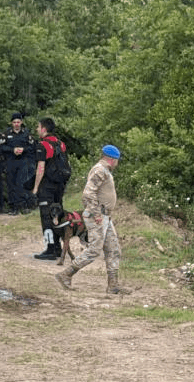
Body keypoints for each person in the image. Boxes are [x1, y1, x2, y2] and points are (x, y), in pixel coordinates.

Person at [56, 145, 126, 294]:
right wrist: (96, 214)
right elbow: (88, 193)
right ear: (112, 159)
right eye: (118, 160)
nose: (118, 163)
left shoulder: (104, 170)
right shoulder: (100, 170)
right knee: (94, 250)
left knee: (113, 249)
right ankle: (66, 274)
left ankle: (113, 285)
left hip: (105, 216)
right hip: (98, 216)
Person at [32, 117, 69, 260]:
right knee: (57, 214)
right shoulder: (61, 144)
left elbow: (41, 167)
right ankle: (58, 247)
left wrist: (35, 187)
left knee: (46, 216)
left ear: (44, 129)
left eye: (38, 127)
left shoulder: (43, 144)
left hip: (47, 185)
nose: (37, 129)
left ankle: (50, 249)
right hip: (60, 185)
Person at [1, 112, 34, 215]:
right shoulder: (6, 133)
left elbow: (32, 147)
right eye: (14, 122)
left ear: (21, 122)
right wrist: (12, 150)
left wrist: (23, 149)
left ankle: (23, 206)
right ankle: (13, 207)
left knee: (21, 184)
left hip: (23, 162)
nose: (16, 124)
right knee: (11, 184)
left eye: (18, 122)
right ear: (11, 123)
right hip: (10, 161)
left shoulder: (26, 133)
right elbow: (1, 147)